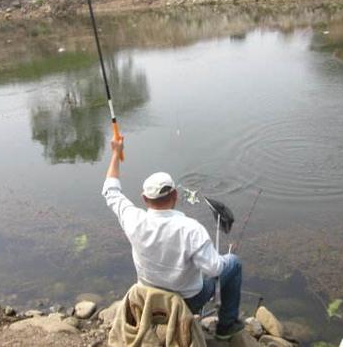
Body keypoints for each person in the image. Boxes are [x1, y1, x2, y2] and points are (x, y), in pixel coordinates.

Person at [101, 137, 244, 340]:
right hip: (187, 302)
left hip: (149, 299)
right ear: (175, 195)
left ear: (144, 199)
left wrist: (116, 154)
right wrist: (222, 259)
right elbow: (214, 269)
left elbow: (110, 191)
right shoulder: (192, 229)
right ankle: (225, 327)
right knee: (233, 264)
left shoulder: (133, 219)